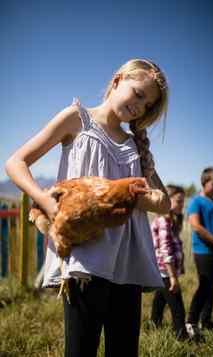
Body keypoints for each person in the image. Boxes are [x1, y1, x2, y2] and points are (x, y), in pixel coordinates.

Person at [5, 59, 171, 357]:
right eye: (138, 93)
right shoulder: (77, 120)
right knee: (80, 349)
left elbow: (165, 202)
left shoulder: (135, 147)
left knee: (124, 350)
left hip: (128, 262)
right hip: (85, 258)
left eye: (147, 105)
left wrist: (136, 197)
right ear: (118, 80)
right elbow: (15, 162)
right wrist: (43, 201)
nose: (139, 106)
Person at [185, 167, 213, 338]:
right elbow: (196, 225)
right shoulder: (196, 202)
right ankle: (191, 321)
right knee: (205, 285)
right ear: (204, 182)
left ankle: (206, 320)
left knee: (211, 286)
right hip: (203, 250)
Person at [151, 185, 189, 341]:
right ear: (168, 201)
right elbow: (165, 251)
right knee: (178, 308)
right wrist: (173, 276)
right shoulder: (163, 221)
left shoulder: (172, 221)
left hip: (164, 270)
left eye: (183, 202)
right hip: (165, 270)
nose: (182, 205)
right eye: (178, 201)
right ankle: (182, 337)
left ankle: (154, 326)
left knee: (160, 298)